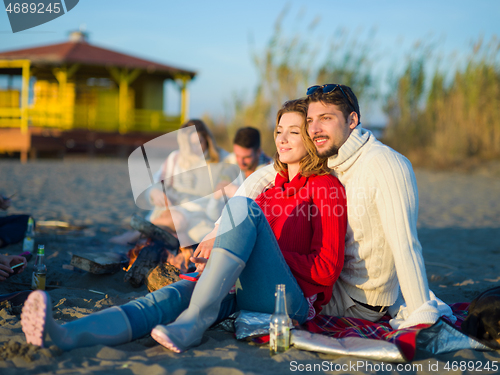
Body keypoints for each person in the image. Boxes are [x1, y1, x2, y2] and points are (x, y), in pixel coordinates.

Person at [21, 98, 347, 353]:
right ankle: (65, 334)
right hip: (244, 288)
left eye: (294, 131)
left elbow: (327, 269)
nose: (283, 139)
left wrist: (250, 254)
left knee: (240, 206)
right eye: (279, 130)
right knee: (165, 299)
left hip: (289, 300)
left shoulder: (324, 187)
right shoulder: (268, 190)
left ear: (310, 136)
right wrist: (222, 254)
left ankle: (194, 322)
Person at [194, 84, 454, 329]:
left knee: (231, 282)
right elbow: (265, 174)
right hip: (328, 285)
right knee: (214, 282)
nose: (314, 129)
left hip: (355, 301)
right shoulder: (333, 156)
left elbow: (406, 245)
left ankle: (194, 313)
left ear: (352, 120)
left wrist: (421, 310)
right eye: (309, 121)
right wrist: (216, 230)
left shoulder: (384, 164)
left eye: (326, 118)